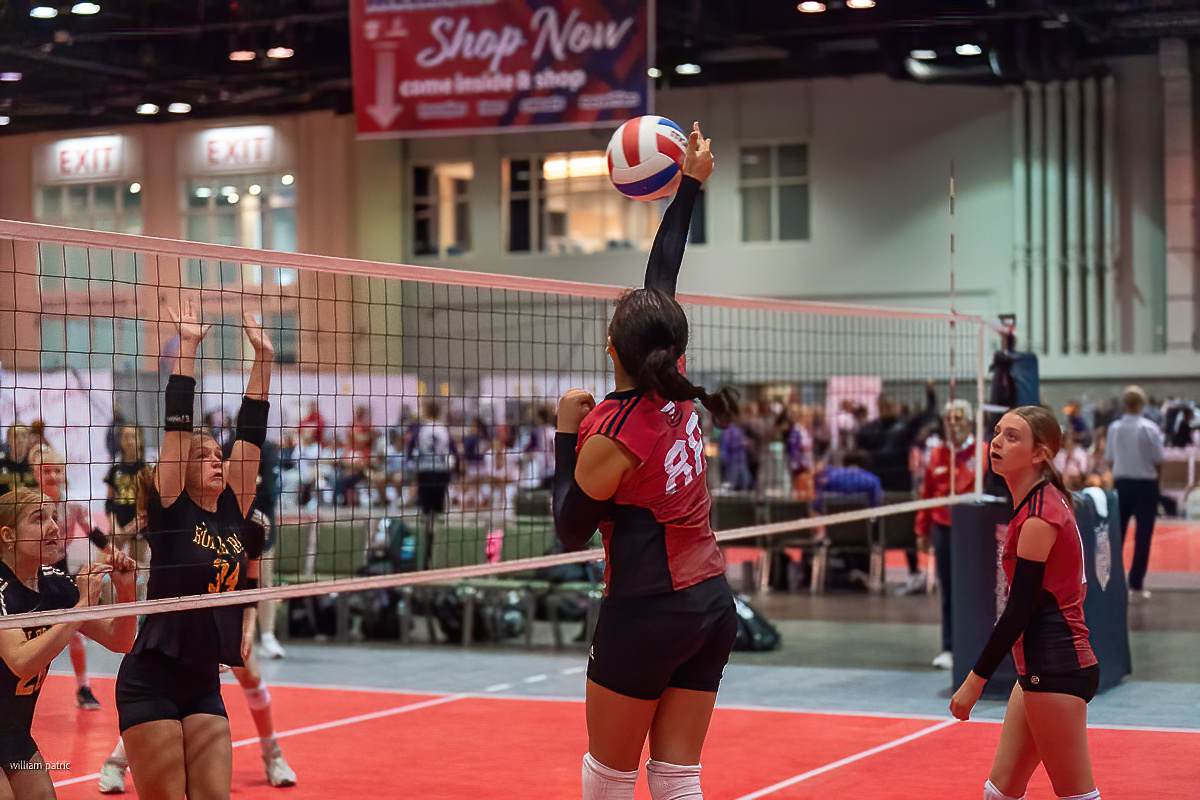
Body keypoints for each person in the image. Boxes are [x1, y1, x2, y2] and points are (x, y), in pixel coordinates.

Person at [554, 122, 736, 800]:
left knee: (610, 774)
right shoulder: (675, 388)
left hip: (648, 609)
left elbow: (570, 527)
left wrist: (565, 434)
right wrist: (689, 184)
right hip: (711, 604)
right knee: (677, 774)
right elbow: (662, 275)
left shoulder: (614, 432)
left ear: (613, 351)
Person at [115, 302, 271, 800]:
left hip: (204, 679)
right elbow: (177, 430)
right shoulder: (169, 508)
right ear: (178, 469)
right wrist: (187, 347)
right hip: (152, 678)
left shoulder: (234, 508)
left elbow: (251, 433)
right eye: (202, 457)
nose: (216, 460)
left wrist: (264, 357)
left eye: (217, 454)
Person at [950, 406, 1101, 800]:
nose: (997, 442)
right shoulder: (1039, 502)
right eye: (997, 433)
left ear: (1041, 453)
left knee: (1076, 796)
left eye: (1012, 436)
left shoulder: (1039, 517)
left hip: (1055, 667)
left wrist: (974, 682)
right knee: (999, 792)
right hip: (1039, 667)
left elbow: (1019, 610)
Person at [0, 487, 138, 800]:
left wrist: (126, 592)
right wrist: (80, 609)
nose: (54, 527)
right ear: (8, 536)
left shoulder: (55, 584)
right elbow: (21, 661)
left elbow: (121, 641)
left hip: (13, 731)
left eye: (53, 517)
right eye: (38, 519)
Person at [26, 444, 106, 711]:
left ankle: (83, 687)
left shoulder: (71, 505)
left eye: (57, 471)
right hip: (27, 572)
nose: (52, 476)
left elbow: (94, 532)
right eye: (46, 471)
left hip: (58, 571)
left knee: (74, 631)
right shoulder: (26, 503)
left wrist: (114, 553)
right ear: (35, 473)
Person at [915, 399, 976, 671]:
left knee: (976, 589)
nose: (953, 424)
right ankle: (949, 648)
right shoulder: (937, 454)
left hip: (974, 529)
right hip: (943, 527)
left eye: (959, 418)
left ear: (970, 421)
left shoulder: (984, 452)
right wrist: (922, 528)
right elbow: (926, 493)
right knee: (948, 589)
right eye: (949, 419)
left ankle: (978, 647)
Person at [1104, 385, 1165, 601]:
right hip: (1145, 484)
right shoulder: (1149, 428)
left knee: (1116, 534)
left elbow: (1109, 459)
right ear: (1142, 404)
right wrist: (1154, 479)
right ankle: (1136, 584)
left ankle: (1111, 583)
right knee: (1143, 535)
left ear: (1125, 404)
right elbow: (1158, 460)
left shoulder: (1114, 428)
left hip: (1122, 484)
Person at [408, 401, 457, 570]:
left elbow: (410, 453)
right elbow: (454, 454)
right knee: (438, 513)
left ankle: (426, 553)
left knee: (426, 513)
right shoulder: (444, 430)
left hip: (426, 473)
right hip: (441, 473)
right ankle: (438, 553)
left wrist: (415, 468)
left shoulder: (421, 430)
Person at [105, 425, 147, 557]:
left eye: (132, 436)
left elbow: (149, 506)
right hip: (118, 526)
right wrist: (114, 526)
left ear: (140, 440)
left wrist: (133, 527)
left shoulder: (147, 471)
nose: (128, 440)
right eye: (125, 436)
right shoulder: (115, 470)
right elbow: (109, 503)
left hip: (139, 527)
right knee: (109, 563)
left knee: (136, 567)